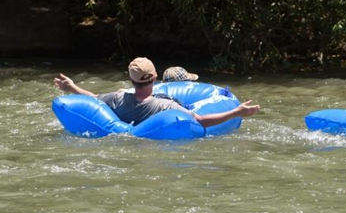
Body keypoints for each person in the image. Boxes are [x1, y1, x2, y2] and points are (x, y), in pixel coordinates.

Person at [54, 57, 260, 127]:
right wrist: (236, 112)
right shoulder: (165, 106)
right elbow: (200, 121)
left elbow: (93, 99)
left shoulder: (118, 98)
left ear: (130, 80)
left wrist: (71, 87)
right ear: (155, 78)